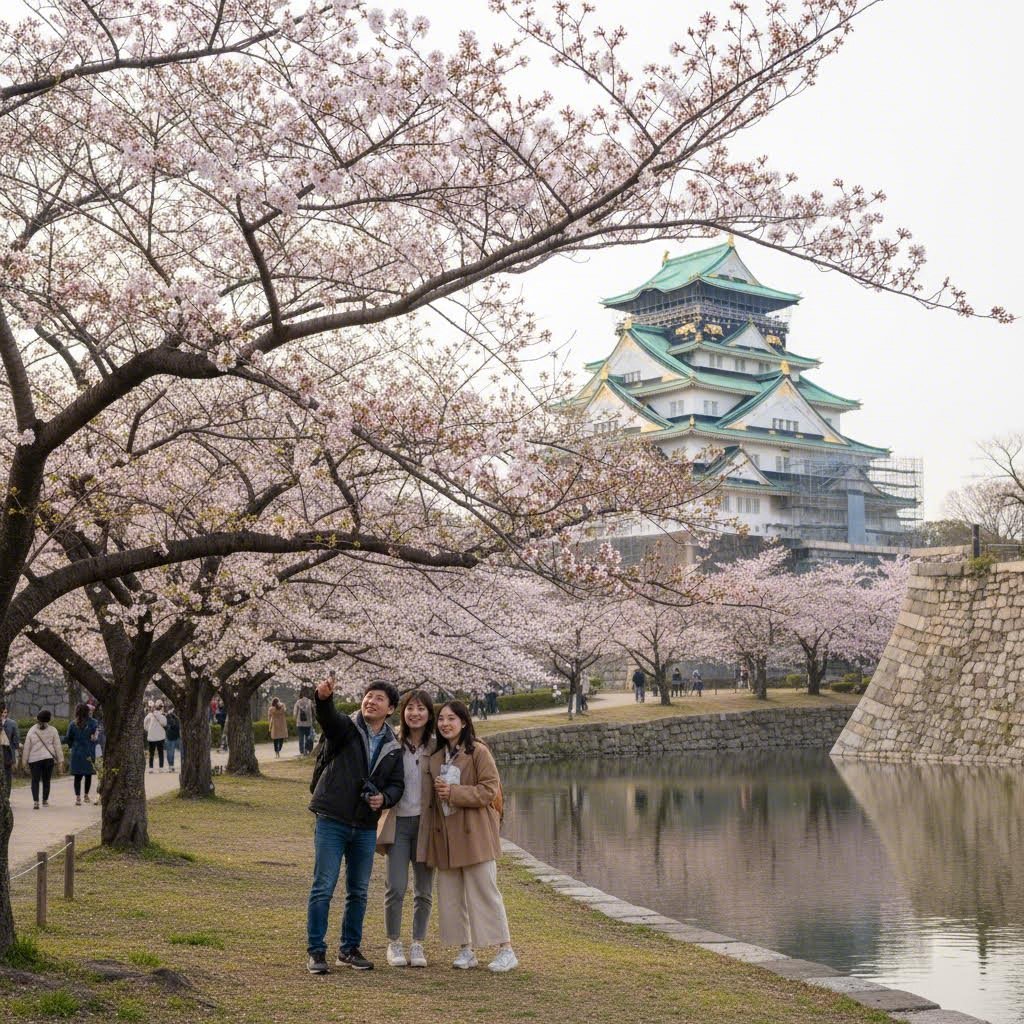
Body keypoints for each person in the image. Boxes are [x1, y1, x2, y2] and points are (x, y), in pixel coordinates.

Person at [306, 678, 405, 975]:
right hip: (332, 818)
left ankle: (349, 949)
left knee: (358, 891)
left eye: (378, 699)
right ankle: (316, 951)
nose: (370, 702)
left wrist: (384, 798)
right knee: (323, 886)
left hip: (364, 824)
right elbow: (328, 718)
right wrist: (322, 699)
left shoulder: (392, 745)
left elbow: (397, 784)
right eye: (368, 696)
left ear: (390, 709)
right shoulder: (346, 728)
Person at [423, 700, 517, 973]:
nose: (445, 723)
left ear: (463, 722)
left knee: (484, 891)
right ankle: (466, 948)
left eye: (451, 718)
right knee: (451, 895)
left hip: (475, 832)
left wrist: (454, 793)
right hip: (446, 834)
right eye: (441, 719)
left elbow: (489, 789)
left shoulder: (478, 751)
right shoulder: (437, 756)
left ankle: (505, 949)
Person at [376, 689, 437, 968]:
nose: (415, 713)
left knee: (424, 889)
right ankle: (394, 943)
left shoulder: (436, 747)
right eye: (410, 708)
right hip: (398, 822)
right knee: (396, 887)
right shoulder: (392, 743)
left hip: (426, 825)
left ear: (429, 713)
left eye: (421, 708)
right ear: (402, 712)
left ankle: (417, 944)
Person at [22, 709, 64, 809]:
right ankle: (45, 801)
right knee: (46, 780)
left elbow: (27, 747)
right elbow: (57, 746)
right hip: (48, 759)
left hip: (34, 759)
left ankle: (36, 802)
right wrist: (60, 761)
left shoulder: (32, 730)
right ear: (48, 719)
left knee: (35, 780)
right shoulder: (53, 730)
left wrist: (24, 762)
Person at [65, 702, 98, 805]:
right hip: (89, 751)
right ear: (88, 712)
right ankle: (86, 796)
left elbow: (68, 738)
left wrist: (71, 746)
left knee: (77, 776)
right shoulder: (93, 723)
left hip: (77, 752)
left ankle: (78, 798)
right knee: (88, 775)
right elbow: (96, 737)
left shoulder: (73, 724)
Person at [1, 703, 21, 793]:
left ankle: (7, 796)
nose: (3, 714)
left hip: (8, 753)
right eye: (2, 712)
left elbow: (16, 740)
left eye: (5, 712)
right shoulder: (12, 723)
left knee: (8, 775)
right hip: (6, 752)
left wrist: (14, 751)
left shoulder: (12, 723)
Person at [144, 701, 168, 772]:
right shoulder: (162, 715)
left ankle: (151, 768)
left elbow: (145, 724)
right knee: (161, 753)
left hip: (151, 737)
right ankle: (161, 768)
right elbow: (164, 724)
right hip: (160, 737)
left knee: (151, 753)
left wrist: (149, 730)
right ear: (161, 708)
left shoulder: (149, 715)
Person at [294, 690, 315, 755]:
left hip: (299, 723)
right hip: (308, 723)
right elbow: (313, 711)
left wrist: (295, 719)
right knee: (308, 737)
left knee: (301, 738)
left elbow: (295, 713)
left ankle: (302, 751)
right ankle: (307, 749)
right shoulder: (310, 702)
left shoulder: (298, 702)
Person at [164, 707, 181, 772]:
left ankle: (171, 766)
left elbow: (164, 726)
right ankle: (172, 766)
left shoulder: (167, 716)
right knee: (181, 752)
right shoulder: (176, 717)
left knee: (170, 752)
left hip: (170, 736)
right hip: (176, 736)